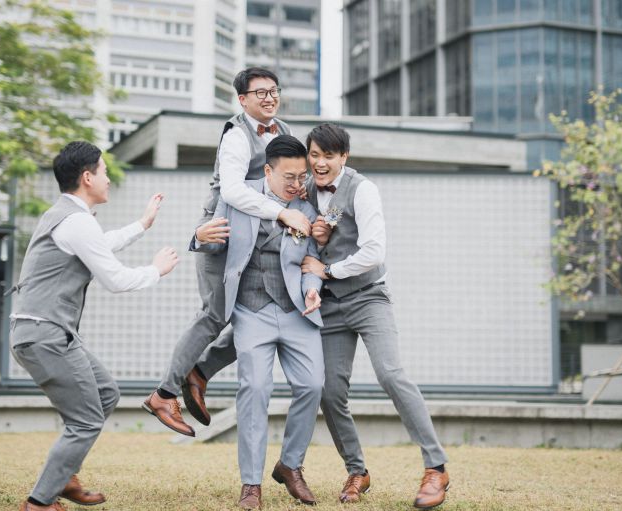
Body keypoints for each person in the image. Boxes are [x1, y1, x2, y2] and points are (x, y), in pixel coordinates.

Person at [191, 124, 451, 509]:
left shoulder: (363, 190)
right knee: (328, 392)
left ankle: (435, 467)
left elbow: (374, 252)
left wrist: (327, 270)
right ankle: (357, 470)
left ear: (344, 157)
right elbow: (267, 210)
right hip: (325, 304)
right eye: (315, 155)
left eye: (329, 156)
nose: (320, 163)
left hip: (367, 296)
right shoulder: (302, 189)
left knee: (391, 374)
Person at [8, 141, 179, 511]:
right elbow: (115, 279)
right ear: (87, 177)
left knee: (105, 393)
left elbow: (99, 244)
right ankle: (39, 502)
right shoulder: (76, 220)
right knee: (86, 420)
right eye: (104, 171)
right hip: (45, 334)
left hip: (49, 331)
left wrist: (142, 224)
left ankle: (65, 475)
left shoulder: (66, 216)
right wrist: (156, 270)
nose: (108, 179)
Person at [142, 67, 312, 436]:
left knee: (261, 315)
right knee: (215, 315)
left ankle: (200, 371)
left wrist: (301, 190)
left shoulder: (285, 131)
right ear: (242, 100)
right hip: (222, 235)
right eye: (260, 92)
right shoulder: (236, 135)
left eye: (274, 90)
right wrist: (281, 211)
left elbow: (289, 178)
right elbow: (232, 191)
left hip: (259, 241)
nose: (269, 97)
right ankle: (164, 394)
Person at [192, 135, 324, 509]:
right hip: (251, 310)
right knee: (255, 389)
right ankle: (251, 484)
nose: (297, 184)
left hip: (296, 310)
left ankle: (290, 465)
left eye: (301, 177)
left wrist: (312, 289)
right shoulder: (238, 196)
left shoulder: (308, 209)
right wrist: (198, 237)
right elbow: (213, 242)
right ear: (268, 171)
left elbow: (311, 261)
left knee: (313, 385)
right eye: (289, 177)